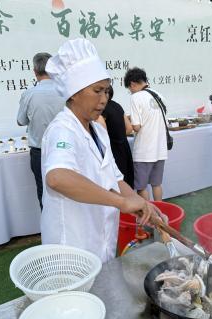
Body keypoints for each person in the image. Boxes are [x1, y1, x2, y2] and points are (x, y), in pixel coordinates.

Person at [42, 39, 158, 263]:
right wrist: (122, 203)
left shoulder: (98, 129)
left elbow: (114, 178)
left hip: (99, 240)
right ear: (74, 93)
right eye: (97, 91)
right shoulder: (62, 130)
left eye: (106, 91)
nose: (104, 99)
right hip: (72, 246)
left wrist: (141, 203)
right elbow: (57, 177)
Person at [17, 52, 65, 209]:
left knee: (43, 192)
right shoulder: (66, 92)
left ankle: (49, 230)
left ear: (35, 72)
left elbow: (21, 121)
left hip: (40, 152)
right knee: (68, 192)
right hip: (65, 148)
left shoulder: (29, 94)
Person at [124, 67, 168, 201]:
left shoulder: (136, 97)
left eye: (129, 89)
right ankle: (160, 215)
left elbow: (136, 127)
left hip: (144, 151)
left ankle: (148, 218)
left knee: (141, 187)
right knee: (156, 184)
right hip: (160, 149)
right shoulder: (159, 95)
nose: (130, 91)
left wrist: (125, 119)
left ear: (132, 84)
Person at [101, 85, 134, 188]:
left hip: (113, 149)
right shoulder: (117, 106)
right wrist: (119, 134)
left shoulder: (101, 109)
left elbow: (101, 133)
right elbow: (129, 129)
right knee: (126, 181)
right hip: (124, 147)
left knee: (117, 182)